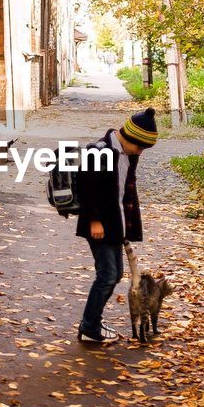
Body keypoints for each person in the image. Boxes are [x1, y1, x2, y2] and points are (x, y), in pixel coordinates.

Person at [74, 108, 158, 343]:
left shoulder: (128, 155)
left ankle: (92, 321)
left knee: (114, 274)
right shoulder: (99, 151)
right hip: (99, 225)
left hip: (115, 224)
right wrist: (94, 221)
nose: (140, 152)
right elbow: (86, 189)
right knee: (108, 275)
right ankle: (89, 326)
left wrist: (126, 229)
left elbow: (123, 192)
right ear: (129, 138)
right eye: (139, 146)